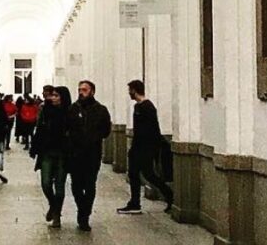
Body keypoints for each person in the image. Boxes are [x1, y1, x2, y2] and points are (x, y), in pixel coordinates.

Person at [117, 80, 174, 214]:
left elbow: (151, 130)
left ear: (134, 90)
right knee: (138, 174)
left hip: (144, 148)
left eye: (130, 90)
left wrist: (148, 150)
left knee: (145, 174)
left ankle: (166, 195)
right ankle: (136, 202)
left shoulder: (147, 107)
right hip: (140, 148)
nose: (129, 93)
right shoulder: (139, 107)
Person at [67, 79, 112, 232]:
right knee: (76, 186)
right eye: (79, 89)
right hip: (75, 154)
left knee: (90, 184)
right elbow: (67, 128)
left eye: (84, 90)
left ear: (92, 91)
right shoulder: (73, 109)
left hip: (92, 154)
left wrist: (94, 137)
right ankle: (82, 208)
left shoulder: (101, 110)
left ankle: (84, 215)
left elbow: (106, 131)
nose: (81, 92)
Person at [31, 85, 72, 229]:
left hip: (63, 153)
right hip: (47, 152)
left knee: (59, 187)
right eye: (52, 95)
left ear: (63, 97)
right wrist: (34, 148)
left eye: (56, 95)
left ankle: (57, 216)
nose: (52, 98)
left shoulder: (70, 113)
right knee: (46, 183)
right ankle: (53, 205)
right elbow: (39, 129)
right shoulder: (45, 110)